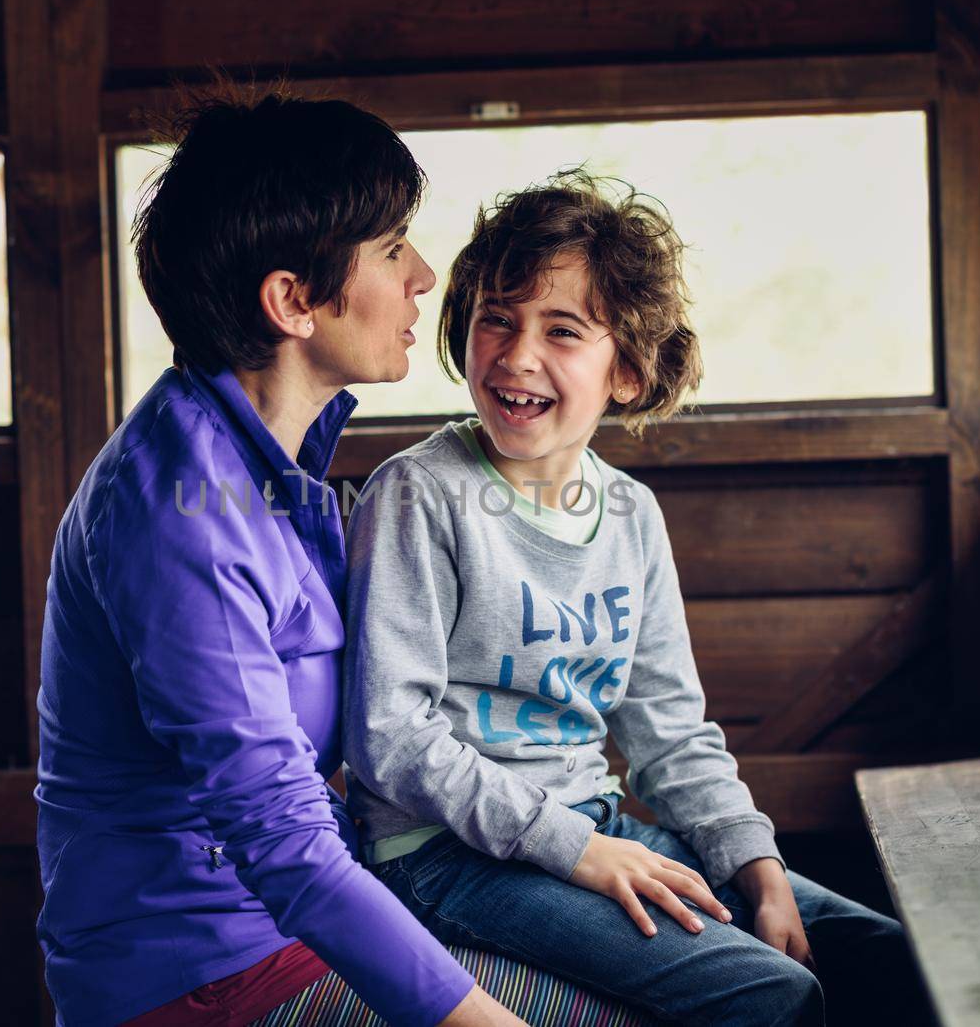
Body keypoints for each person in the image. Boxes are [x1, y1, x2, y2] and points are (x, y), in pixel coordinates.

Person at [33, 92, 629, 1027]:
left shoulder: (265, 461)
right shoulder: (180, 513)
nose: (426, 276)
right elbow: (278, 836)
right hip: (207, 974)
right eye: (392, 250)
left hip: (301, 922)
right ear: (292, 301)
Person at [342, 171, 929, 1026]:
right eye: (496, 318)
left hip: (591, 821)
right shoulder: (420, 496)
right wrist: (578, 850)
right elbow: (391, 738)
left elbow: (670, 729)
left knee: (887, 959)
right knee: (774, 994)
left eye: (563, 330)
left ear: (626, 370)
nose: (515, 354)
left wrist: (756, 867)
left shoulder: (628, 514)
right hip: (443, 853)